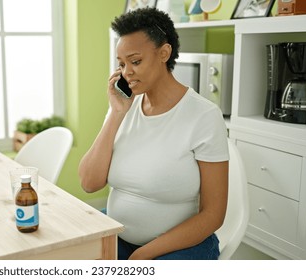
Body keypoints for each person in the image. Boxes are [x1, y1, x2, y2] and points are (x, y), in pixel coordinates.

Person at [78, 7, 229, 260]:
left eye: (135, 61)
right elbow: (89, 183)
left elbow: (213, 215)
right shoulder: (124, 106)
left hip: (180, 247)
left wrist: (143, 255)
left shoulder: (203, 116)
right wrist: (116, 114)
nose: (127, 72)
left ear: (164, 53)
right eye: (122, 64)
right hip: (119, 235)